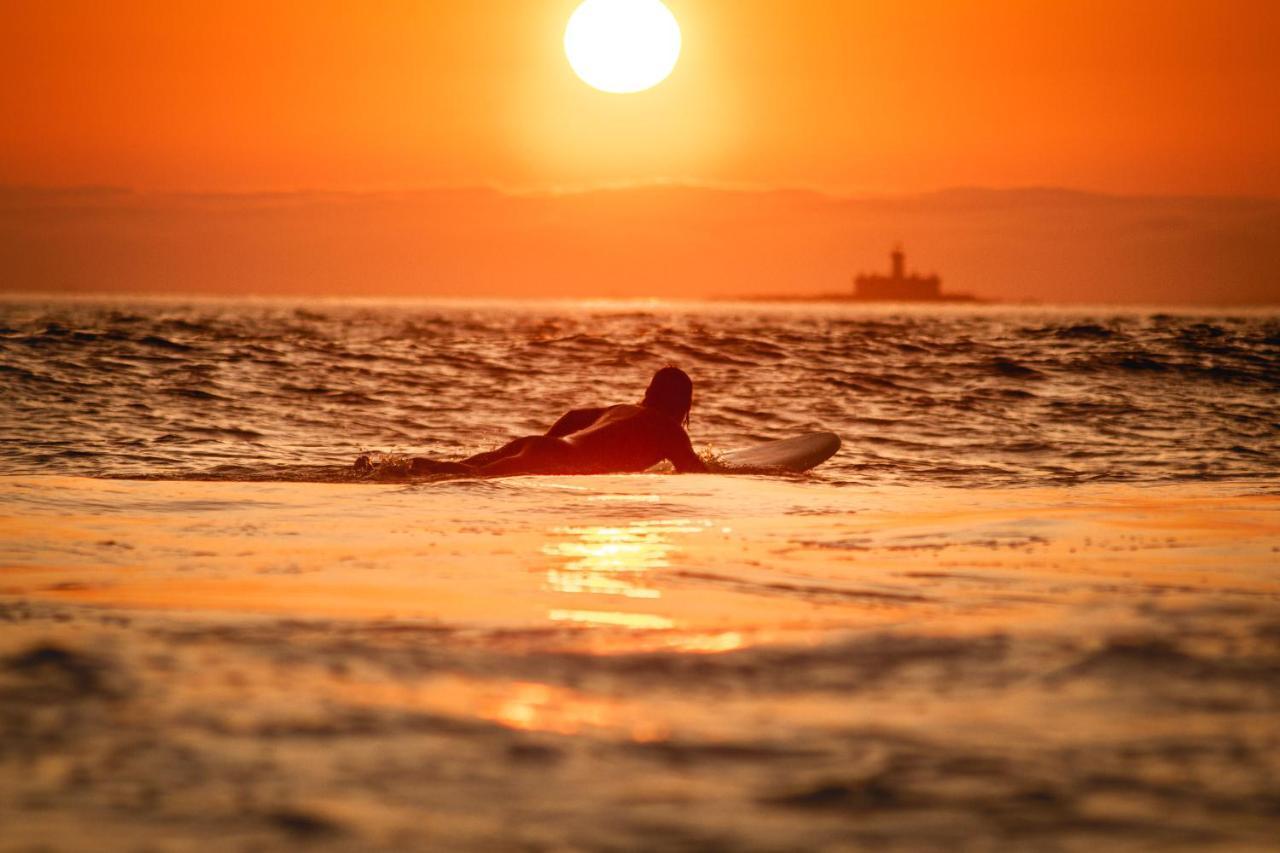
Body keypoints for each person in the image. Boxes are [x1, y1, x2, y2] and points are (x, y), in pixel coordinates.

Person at [393, 366, 708, 477]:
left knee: (463, 468)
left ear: (649, 392)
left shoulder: (622, 408)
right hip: (553, 455)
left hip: (543, 446)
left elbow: (573, 416)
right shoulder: (671, 430)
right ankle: (405, 468)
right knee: (472, 475)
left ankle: (400, 468)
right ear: (683, 403)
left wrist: (546, 443)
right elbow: (694, 473)